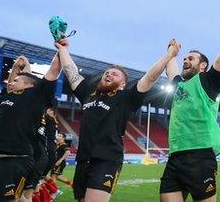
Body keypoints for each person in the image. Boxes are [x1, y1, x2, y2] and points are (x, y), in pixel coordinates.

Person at [55, 35, 170, 202]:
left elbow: (150, 77)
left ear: (123, 84)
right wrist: (63, 49)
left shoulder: (126, 98)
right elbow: (70, 71)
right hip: (83, 160)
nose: (108, 74)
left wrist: (168, 55)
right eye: (107, 73)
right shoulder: (89, 93)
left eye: (115, 75)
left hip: (107, 160)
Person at [159, 7, 220, 202]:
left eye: (190, 58)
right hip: (175, 157)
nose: (186, 60)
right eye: (185, 58)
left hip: (200, 157)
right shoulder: (178, 84)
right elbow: (170, 68)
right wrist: (172, 52)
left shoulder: (208, 81)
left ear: (202, 65)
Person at [0, 54, 60, 201]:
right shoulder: (11, 96)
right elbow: (18, 79)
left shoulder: (36, 97)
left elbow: (54, 70)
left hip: (15, 161)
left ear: (29, 86)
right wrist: (17, 66)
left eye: (16, 81)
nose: (10, 83)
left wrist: (61, 48)